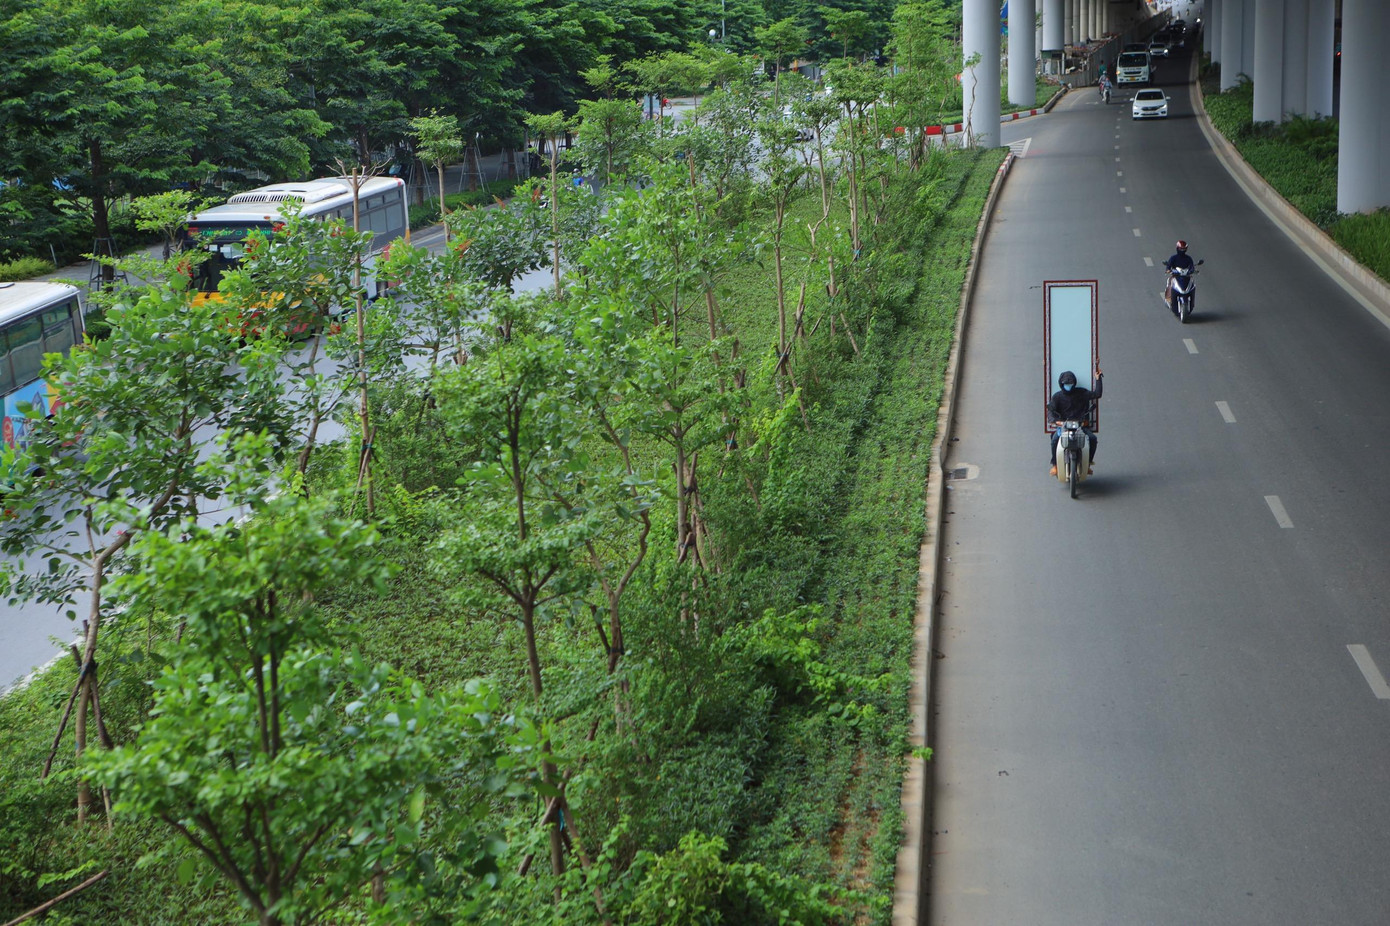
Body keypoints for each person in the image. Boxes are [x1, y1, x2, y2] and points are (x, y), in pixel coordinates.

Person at [1048, 369, 1103, 475]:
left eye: (1070, 383)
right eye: (1066, 384)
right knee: (1054, 439)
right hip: (1063, 427)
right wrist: (1055, 421)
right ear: (1061, 384)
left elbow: (1097, 394)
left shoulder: (1082, 393)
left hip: (1080, 426)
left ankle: (1087, 464)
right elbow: (1051, 411)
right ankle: (1055, 465)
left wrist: (1098, 379)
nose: (1068, 386)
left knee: (1092, 438)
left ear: (1074, 383)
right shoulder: (1057, 397)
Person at [1162, 240, 1196, 314]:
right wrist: (1168, 270)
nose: (1182, 250)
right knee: (1169, 282)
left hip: (1186, 277)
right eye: (1181, 249)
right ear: (1177, 248)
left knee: (1193, 285)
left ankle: (1192, 303)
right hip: (1176, 276)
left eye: (1184, 249)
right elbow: (1168, 266)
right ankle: (1168, 299)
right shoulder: (1173, 258)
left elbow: (1192, 267)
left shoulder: (1188, 258)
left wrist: (1192, 270)